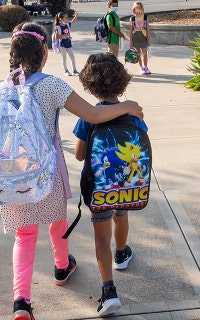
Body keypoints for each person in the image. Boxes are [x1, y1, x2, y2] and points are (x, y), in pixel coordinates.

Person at [0, 22, 143, 320]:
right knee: (56, 220)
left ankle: (21, 302)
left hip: (13, 171)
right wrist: (127, 105)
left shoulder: (3, 87)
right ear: (43, 51)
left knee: (24, 236)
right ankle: (62, 266)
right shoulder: (51, 84)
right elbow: (92, 113)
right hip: (46, 171)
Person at [73, 52, 148, 317]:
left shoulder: (88, 117)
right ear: (121, 81)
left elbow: (80, 154)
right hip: (127, 185)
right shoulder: (134, 113)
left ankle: (109, 291)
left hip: (99, 187)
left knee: (100, 236)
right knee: (121, 215)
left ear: (90, 85)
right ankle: (121, 255)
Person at [53, 10, 79, 76]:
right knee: (64, 58)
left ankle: (74, 70)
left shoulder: (67, 24)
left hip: (68, 44)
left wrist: (76, 16)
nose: (67, 19)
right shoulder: (58, 27)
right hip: (62, 45)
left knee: (72, 57)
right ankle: (66, 70)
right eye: (66, 18)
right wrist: (64, 36)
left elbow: (73, 21)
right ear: (61, 19)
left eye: (67, 17)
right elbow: (56, 37)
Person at [130, 1, 151, 75]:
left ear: (142, 9)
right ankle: (141, 67)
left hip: (143, 36)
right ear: (134, 9)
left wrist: (148, 39)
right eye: (136, 8)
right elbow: (131, 31)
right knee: (138, 53)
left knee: (144, 52)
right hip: (136, 37)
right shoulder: (132, 19)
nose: (138, 10)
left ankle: (146, 66)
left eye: (139, 8)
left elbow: (148, 29)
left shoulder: (145, 18)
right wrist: (131, 42)